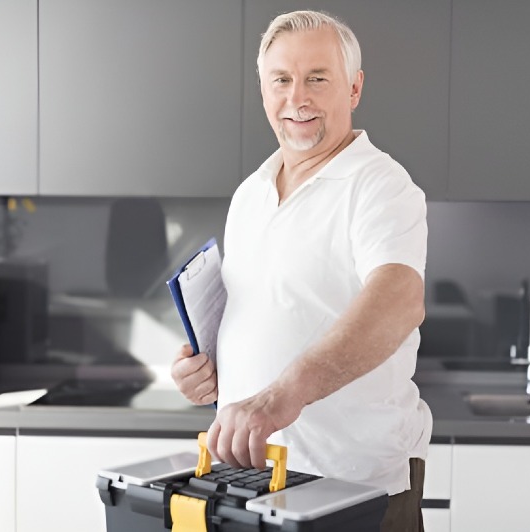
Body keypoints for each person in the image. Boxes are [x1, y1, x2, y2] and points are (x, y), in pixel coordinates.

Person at [171, 10, 431, 531]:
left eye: (318, 78)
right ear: (264, 92)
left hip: (351, 486)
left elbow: (400, 299)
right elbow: (268, 314)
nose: (298, 98)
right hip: (253, 481)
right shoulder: (250, 194)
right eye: (282, 81)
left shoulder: (381, 186)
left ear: (354, 89)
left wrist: (279, 396)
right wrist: (207, 375)